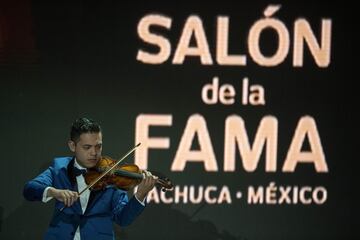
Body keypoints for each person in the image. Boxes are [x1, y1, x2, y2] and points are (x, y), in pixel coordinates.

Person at [23, 117, 157, 240]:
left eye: (98, 146)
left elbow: (123, 219)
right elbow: (29, 189)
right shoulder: (59, 167)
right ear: (72, 146)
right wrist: (54, 192)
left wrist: (140, 194)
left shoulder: (112, 174)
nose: (94, 153)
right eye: (87, 147)